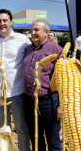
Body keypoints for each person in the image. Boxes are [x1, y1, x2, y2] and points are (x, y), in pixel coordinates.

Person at [0, 9, 31, 151]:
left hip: (17, 92)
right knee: (4, 130)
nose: (2, 24)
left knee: (22, 129)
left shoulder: (22, 40)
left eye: (5, 20)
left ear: (11, 22)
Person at [23, 19, 62, 151]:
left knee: (53, 141)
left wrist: (61, 106)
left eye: (36, 30)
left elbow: (64, 80)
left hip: (48, 102)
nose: (32, 33)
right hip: (29, 101)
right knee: (36, 140)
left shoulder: (57, 50)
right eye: (31, 30)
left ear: (46, 32)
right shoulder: (28, 48)